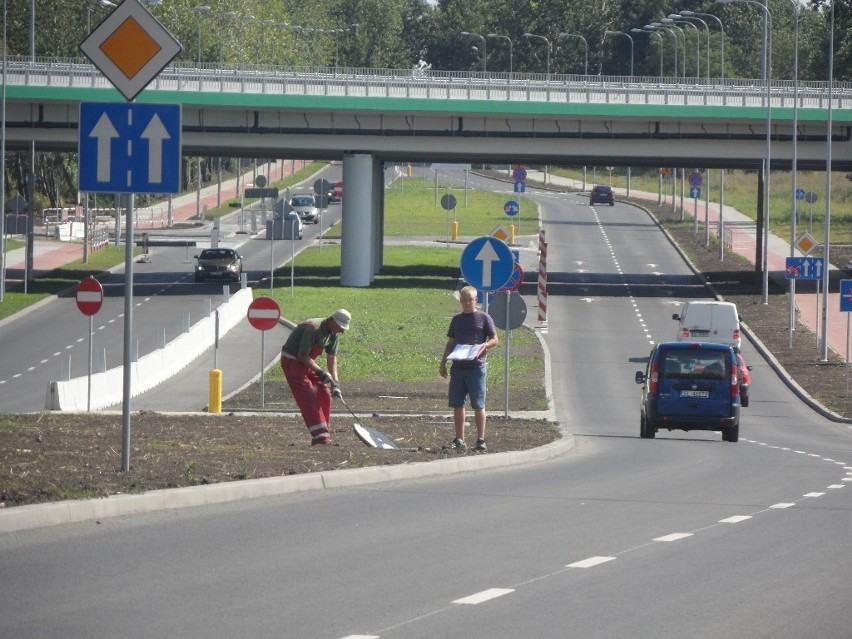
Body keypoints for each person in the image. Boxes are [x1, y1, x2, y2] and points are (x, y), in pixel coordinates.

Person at [439, 286, 499, 451]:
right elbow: (451, 342)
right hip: (458, 368)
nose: (467, 303)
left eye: (470, 300)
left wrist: (484, 345)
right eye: (464, 300)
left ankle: (481, 439)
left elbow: (495, 339)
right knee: (457, 404)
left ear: (476, 300)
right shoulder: (456, 320)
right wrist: (443, 363)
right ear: (460, 301)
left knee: (478, 404)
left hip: (476, 368)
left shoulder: (484, 318)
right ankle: (460, 439)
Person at [280, 309, 351, 445]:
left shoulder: (333, 334)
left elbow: (332, 358)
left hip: (307, 363)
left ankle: (324, 432)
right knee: (309, 396)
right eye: (341, 327)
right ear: (332, 321)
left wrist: (336, 384)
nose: (342, 331)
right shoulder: (312, 328)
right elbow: (302, 355)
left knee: (324, 393)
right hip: (292, 362)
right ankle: (320, 438)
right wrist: (320, 372)